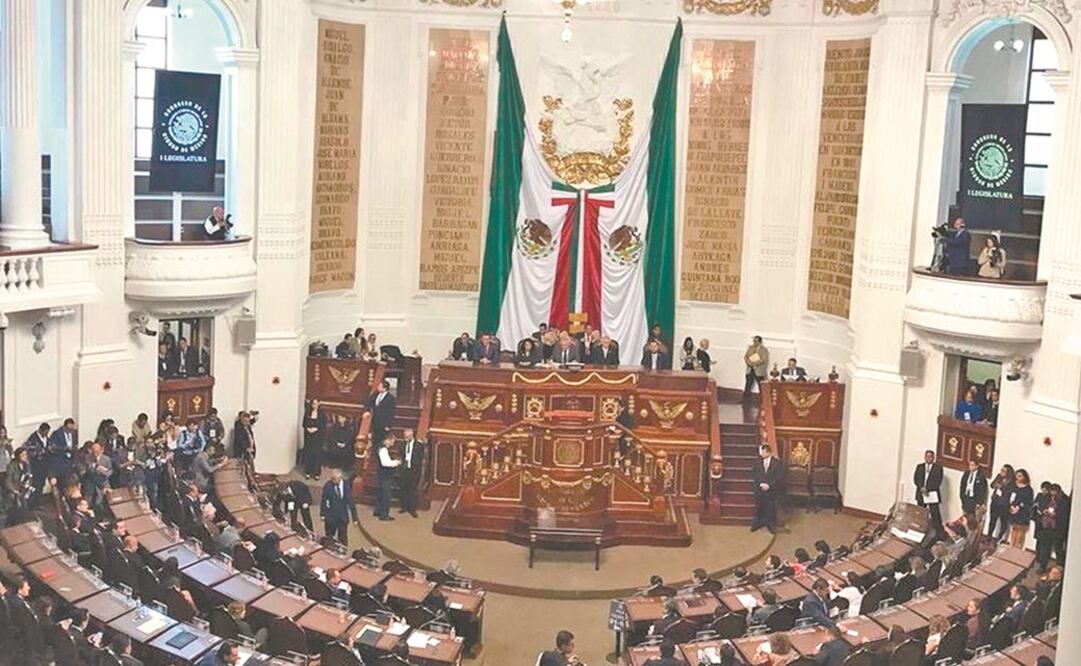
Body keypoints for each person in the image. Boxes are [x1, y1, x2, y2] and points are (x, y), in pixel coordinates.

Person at [321, 467, 360, 543]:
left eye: (335, 479)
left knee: (343, 538)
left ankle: (343, 552)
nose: (333, 480)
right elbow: (324, 501)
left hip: (342, 517)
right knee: (329, 537)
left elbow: (351, 502)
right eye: (332, 478)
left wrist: (355, 518)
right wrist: (322, 514)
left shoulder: (346, 486)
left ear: (340, 478)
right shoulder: (327, 486)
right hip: (331, 516)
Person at [751, 444, 783, 533]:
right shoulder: (757, 462)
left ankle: (771, 525)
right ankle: (757, 523)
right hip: (759, 489)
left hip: (771, 490)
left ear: (768, 452)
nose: (761, 454)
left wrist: (769, 485)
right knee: (759, 507)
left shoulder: (777, 463)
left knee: (771, 508)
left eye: (763, 452)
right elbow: (755, 473)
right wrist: (761, 483)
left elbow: (778, 477)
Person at [914, 450, 944, 537]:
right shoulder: (920, 467)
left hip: (932, 494)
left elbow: (938, 481)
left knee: (935, 513)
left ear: (933, 458)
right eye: (927, 456)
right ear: (924, 457)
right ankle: (920, 530)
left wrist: (928, 489)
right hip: (921, 493)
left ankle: (938, 533)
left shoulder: (938, 468)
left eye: (930, 456)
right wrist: (922, 488)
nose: (928, 458)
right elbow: (916, 479)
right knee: (921, 512)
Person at [397, 428, 424, 517]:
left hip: (414, 470)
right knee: (403, 488)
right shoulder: (402, 444)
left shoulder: (418, 445)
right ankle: (404, 507)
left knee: (412, 490)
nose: (405, 438)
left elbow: (420, 458)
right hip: (404, 469)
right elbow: (401, 455)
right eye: (405, 436)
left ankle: (412, 509)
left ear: (412, 436)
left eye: (407, 436)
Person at [372, 436, 401, 521]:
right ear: (386, 440)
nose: (393, 443)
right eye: (392, 441)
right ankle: (384, 515)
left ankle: (377, 510)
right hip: (385, 476)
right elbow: (385, 463)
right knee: (386, 495)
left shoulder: (381, 449)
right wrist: (397, 462)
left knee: (380, 493)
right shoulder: (383, 450)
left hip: (381, 475)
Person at [365, 380, 396, 456]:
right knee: (375, 440)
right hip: (375, 423)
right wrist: (367, 411)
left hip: (383, 424)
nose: (378, 387)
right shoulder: (376, 395)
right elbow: (369, 402)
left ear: (385, 388)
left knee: (382, 442)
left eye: (380, 386)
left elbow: (391, 413)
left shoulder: (390, 398)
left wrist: (388, 425)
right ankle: (375, 455)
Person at [988, 464, 1016, 542]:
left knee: (1003, 522)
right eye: (1001, 470)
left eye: (1004, 471)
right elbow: (992, 485)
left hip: (1004, 504)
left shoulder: (1011, 482)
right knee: (992, 520)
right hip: (995, 501)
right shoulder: (998, 477)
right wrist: (996, 484)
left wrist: (1002, 488)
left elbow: (1010, 492)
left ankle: (999, 538)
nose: (1001, 472)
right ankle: (989, 535)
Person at [1008, 468, 1034, 547]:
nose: (1017, 478)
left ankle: (1017, 547)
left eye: (1019, 476)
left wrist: (1019, 507)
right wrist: (1011, 506)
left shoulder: (1028, 489)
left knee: (1020, 530)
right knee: (1013, 528)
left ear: (1024, 477)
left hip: (1022, 513)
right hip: (1012, 510)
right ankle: (1012, 545)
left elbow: (1028, 502)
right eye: (1017, 476)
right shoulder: (1013, 486)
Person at [302, 400, 324, 480]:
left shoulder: (321, 414)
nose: (314, 405)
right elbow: (304, 423)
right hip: (309, 437)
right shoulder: (308, 412)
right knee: (309, 454)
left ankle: (316, 474)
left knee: (317, 455)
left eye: (316, 403)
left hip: (318, 437)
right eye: (313, 403)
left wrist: (316, 429)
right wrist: (308, 429)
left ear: (319, 404)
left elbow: (323, 425)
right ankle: (307, 472)